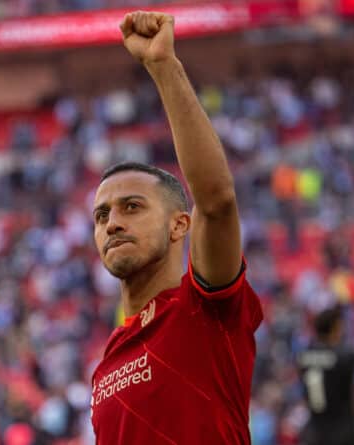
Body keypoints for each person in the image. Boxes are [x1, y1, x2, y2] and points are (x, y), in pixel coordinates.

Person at [90, 11, 263, 444]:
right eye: (102, 215)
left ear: (179, 225)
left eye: (132, 206)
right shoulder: (105, 365)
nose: (113, 224)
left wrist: (164, 66)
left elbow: (217, 200)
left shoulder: (204, 309)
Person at [297, 306, 354, 445]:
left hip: (314, 431)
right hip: (342, 430)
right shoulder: (343, 355)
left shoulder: (303, 357)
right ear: (334, 329)